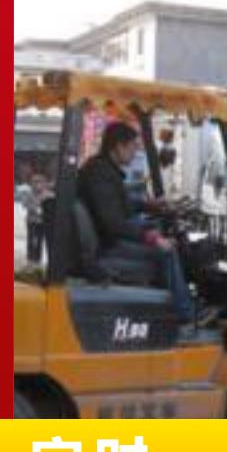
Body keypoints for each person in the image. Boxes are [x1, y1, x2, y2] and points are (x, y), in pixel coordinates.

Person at [77, 121, 196, 322]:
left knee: (159, 238)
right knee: (167, 252)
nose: (135, 152)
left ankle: (167, 309)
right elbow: (113, 222)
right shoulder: (100, 174)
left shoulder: (104, 170)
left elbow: (120, 203)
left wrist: (150, 205)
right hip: (106, 246)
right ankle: (185, 314)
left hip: (106, 240)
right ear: (118, 146)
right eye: (133, 147)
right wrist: (152, 238)